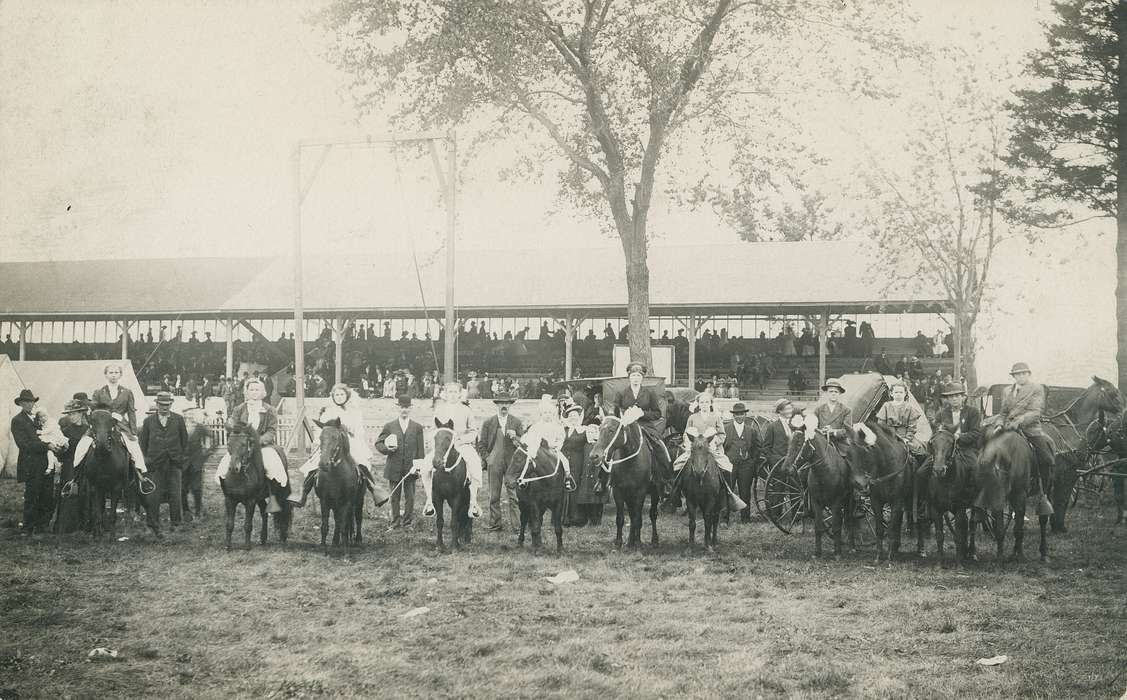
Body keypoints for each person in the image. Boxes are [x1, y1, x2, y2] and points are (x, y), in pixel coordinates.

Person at [290, 382, 388, 506]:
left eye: (342, 394)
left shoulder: (354, 412)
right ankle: (303, 492)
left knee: (360, 462)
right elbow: (322, 429)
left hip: (350, 442)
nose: (339, 397)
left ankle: (373, 488)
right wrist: (319, 442)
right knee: (314, 463)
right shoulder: (328, 412)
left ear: (346, 396)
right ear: (333, 396)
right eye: (336, 395)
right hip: (331, 443)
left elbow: (360, 430)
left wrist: (351, 430)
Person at [985, 362, 1054, 504]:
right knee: (986, 447)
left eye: (1024, 373)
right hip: (1007, 427)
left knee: (1046, 459)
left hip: (1030, 429)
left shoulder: (1037, 389)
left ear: (1029, 374)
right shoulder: (1007, 391)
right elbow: (1003, 412)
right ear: (1014, 376)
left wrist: (1018, 422)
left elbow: (1036, 411)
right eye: (1018, 374)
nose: (1021, 376)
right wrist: (999, 424)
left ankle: (1044, 492)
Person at [599, 362, 671, 493]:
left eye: (638, 375)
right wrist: (623, 413)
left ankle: (664, 480)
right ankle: (602, 480)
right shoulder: (621, 393)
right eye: (633, 375)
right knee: (609, 446)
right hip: (625, 425)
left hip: (645, 426)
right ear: (629, 377)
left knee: (659, 446)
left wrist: (643, 413)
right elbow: (614, 409)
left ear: (642, 378)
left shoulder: (650, 393)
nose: (636, 378)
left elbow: (657, 413)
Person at [415, 382, 485, 518]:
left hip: (461, 445)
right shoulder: (439, 410)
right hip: (443, 447)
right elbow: (433, 430)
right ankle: (429, 501)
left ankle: (473, 503)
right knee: (424, 467)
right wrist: (434, 442)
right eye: (450, 392)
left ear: (460, 394)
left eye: (455, 392)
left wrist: (462, 440)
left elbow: (473, 431)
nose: (452, 395)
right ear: (445, 394)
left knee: (475, 464)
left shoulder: (466, 410)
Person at [73, 363, 149, 481]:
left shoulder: (127, 392)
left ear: (120, 374)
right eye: (111, 373)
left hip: (121, 425)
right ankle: (75, 478)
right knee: (81, 446)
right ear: (106, 375)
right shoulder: (99, 392)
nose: (113, 375)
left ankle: (141, 478)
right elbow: (94, 409)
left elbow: (131, 412)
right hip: (101, 425)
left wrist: (133, 431)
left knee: (135, 449)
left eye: (116, 373)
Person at [217, 378, 290, 501]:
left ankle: (272, 497)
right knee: (223, 468)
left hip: (263, 446)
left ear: (262, 392)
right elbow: (233, 426)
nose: (254, 392)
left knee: (273, 467)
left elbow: (271, 430)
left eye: (257, 390)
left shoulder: (269, 410)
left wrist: (258, 441)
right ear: (247, 392)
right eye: (251, 389)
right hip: (242, 446)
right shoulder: (239, 409)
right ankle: (229, 494)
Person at [666, 392, 730, 509]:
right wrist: (688, 443)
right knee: (678, 465)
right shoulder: (692, 417)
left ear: (710, 404)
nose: (704, 404)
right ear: (698, 404)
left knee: (726, 467)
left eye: (707, 402)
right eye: (702, 402)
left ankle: (726, 495)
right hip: (695, 450)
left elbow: (722, 434)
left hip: (711, 449)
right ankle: (676, 493)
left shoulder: (716, 417)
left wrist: (715, 442)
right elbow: (686, 433)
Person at [139, 391, 189, 528]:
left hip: (174, 462)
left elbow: (184, 441)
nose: (165, 407)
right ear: (157, 404)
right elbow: (142, 443)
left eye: (167, 405)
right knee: (154, 493)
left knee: (175, 493)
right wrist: (147, 459)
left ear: (171, 404)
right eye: (162, 405)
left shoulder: (178, 419)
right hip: (155, 464)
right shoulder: (148, 421)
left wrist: (180, 457)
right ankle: (153, 522)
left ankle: (176, 523)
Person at [11, 389, 58, 535]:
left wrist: (55, 444)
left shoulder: (39, 418)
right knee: (32, 495)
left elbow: (50, 433)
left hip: (45, 462)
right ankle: (28, 527)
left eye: (31, 402)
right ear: (20, 404)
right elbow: (24, 445)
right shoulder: (17, 420)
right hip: (31, 464)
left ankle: (42, 526)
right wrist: (46, 445)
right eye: (25, 402)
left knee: (47, 494)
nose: (29, 404)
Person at [374, 395, 425, 529]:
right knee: (394, 496)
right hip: (394, 467)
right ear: (397, 408)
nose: (404, 410)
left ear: (411, 408)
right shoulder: (390, 426)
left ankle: (407, 523)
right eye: (402, 407)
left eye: (407, 408)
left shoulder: (417, 427)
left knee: (410, 497)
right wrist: (387, 449)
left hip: (411, 468)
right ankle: (395, 522)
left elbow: (420, 450)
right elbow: (378, 443)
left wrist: (419, 467)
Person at [477, 391, 524, 532]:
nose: (504, 406)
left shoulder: (516, 422)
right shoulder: (488, 422)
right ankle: (495, 524)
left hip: (512, 464)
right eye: (501, 403)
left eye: (507, 403)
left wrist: (516, 438)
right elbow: (481, 444)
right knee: (494, 495)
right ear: (497, 405)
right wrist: (488, 458)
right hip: (494, 462)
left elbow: (523, 445)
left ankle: (517, 526)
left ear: (510, 405)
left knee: (514, 495)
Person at [517, 396, 578, 490]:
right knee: (528, 461)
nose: (548, 415)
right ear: (541, 414)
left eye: (550, 413)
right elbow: (530, 437)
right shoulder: (536, 426)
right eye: (545, 413)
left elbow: (561, 438)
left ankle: (567, 478)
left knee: (565, 461)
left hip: (552, 449)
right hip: (537, 450)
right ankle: (524, 479)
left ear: (553, 414)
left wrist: (557, 446)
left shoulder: (557, 426)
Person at [725, 402, 759, 523]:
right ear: (733, 416)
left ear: (745, 415)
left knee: (745, 492)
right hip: (730, 466)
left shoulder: (751, 431)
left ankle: (745, 518)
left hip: (746, 466)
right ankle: (724, 519)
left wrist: (751, 462)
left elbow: (756, 449)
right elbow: (722, 448)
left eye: (742, 414)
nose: (739, 416)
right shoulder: (726, 429)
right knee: (728, 491)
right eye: (737, 414)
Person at [875, 382, 927, 458]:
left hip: (905, 436)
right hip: (888, 436)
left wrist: (906, 438)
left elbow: (912, 427)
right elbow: (881, 424)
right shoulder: (886, 406)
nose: (898, 394)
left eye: (901, 392)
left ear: (905, 393)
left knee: (920, 452)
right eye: (896, 392)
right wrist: (886, 437)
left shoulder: (909, 408)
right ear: (891, 393)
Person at [934, 381, 982, 449]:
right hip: (946, 448)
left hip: (967, 448)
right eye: (951, 396)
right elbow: (936, 431)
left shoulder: (973, 412)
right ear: (947, 399)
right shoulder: (941, 414)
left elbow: (976, 433)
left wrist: (959, 436)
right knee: (929, 459)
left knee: (972, 459)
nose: (954, 399)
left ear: (963, 397)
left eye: (957, 396)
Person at [814, 379, 852, 453]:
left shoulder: (846, 410)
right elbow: (814, 428)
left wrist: (833, 432)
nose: (833, 394)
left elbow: (847, 430)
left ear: (839, 394)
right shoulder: (818, 410)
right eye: (831, 391)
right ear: (826, 393)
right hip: (821, 444)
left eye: (836, 392)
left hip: (839, 444)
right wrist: (822, 431)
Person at [760, 398, 796, 469]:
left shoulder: (796, 424)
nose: (790, 411)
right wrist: (773, 460)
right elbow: (766, 447)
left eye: (791, 409)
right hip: (778, 464)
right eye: (787, 409)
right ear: (780, 411)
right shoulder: (773, 426)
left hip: (794, 463)